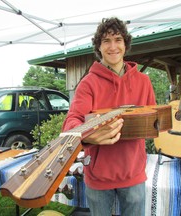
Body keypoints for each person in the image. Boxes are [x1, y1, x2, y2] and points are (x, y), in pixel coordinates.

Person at [62, 17, 156, 216]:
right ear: (98, 46)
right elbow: (71, 122)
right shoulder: (88, 83)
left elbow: (153, 119)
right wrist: (86, 135)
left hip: (133, 173)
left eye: (118, 39)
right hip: (98, 176)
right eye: (106, 41)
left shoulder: (143, 81)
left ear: (125, 44)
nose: (113, 46)